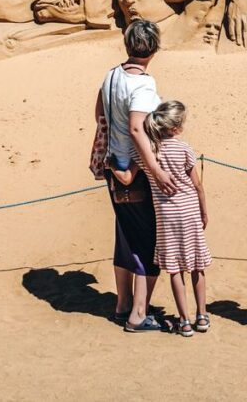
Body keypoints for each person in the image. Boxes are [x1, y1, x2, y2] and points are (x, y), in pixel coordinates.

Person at [95, 19, 176, 333]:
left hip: (113, 167)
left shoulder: (112, 75)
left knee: (125, 236)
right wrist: (154, 169)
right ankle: (139, 314)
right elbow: (136, 127)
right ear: (154, 49)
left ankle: (123, 304)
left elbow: (100, 112)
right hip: (134, 171)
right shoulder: (143, 85)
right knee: (146, 242)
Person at [134, 100, 212, 337]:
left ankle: (184, 320)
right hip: (189, 211)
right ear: (177, 126)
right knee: (197, 265)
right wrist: (204, 211)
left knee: (175, 269)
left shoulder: (149, 152)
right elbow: (197, 185)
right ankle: (202, 315)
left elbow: (133, 170)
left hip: (167, 216)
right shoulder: (185, 149)